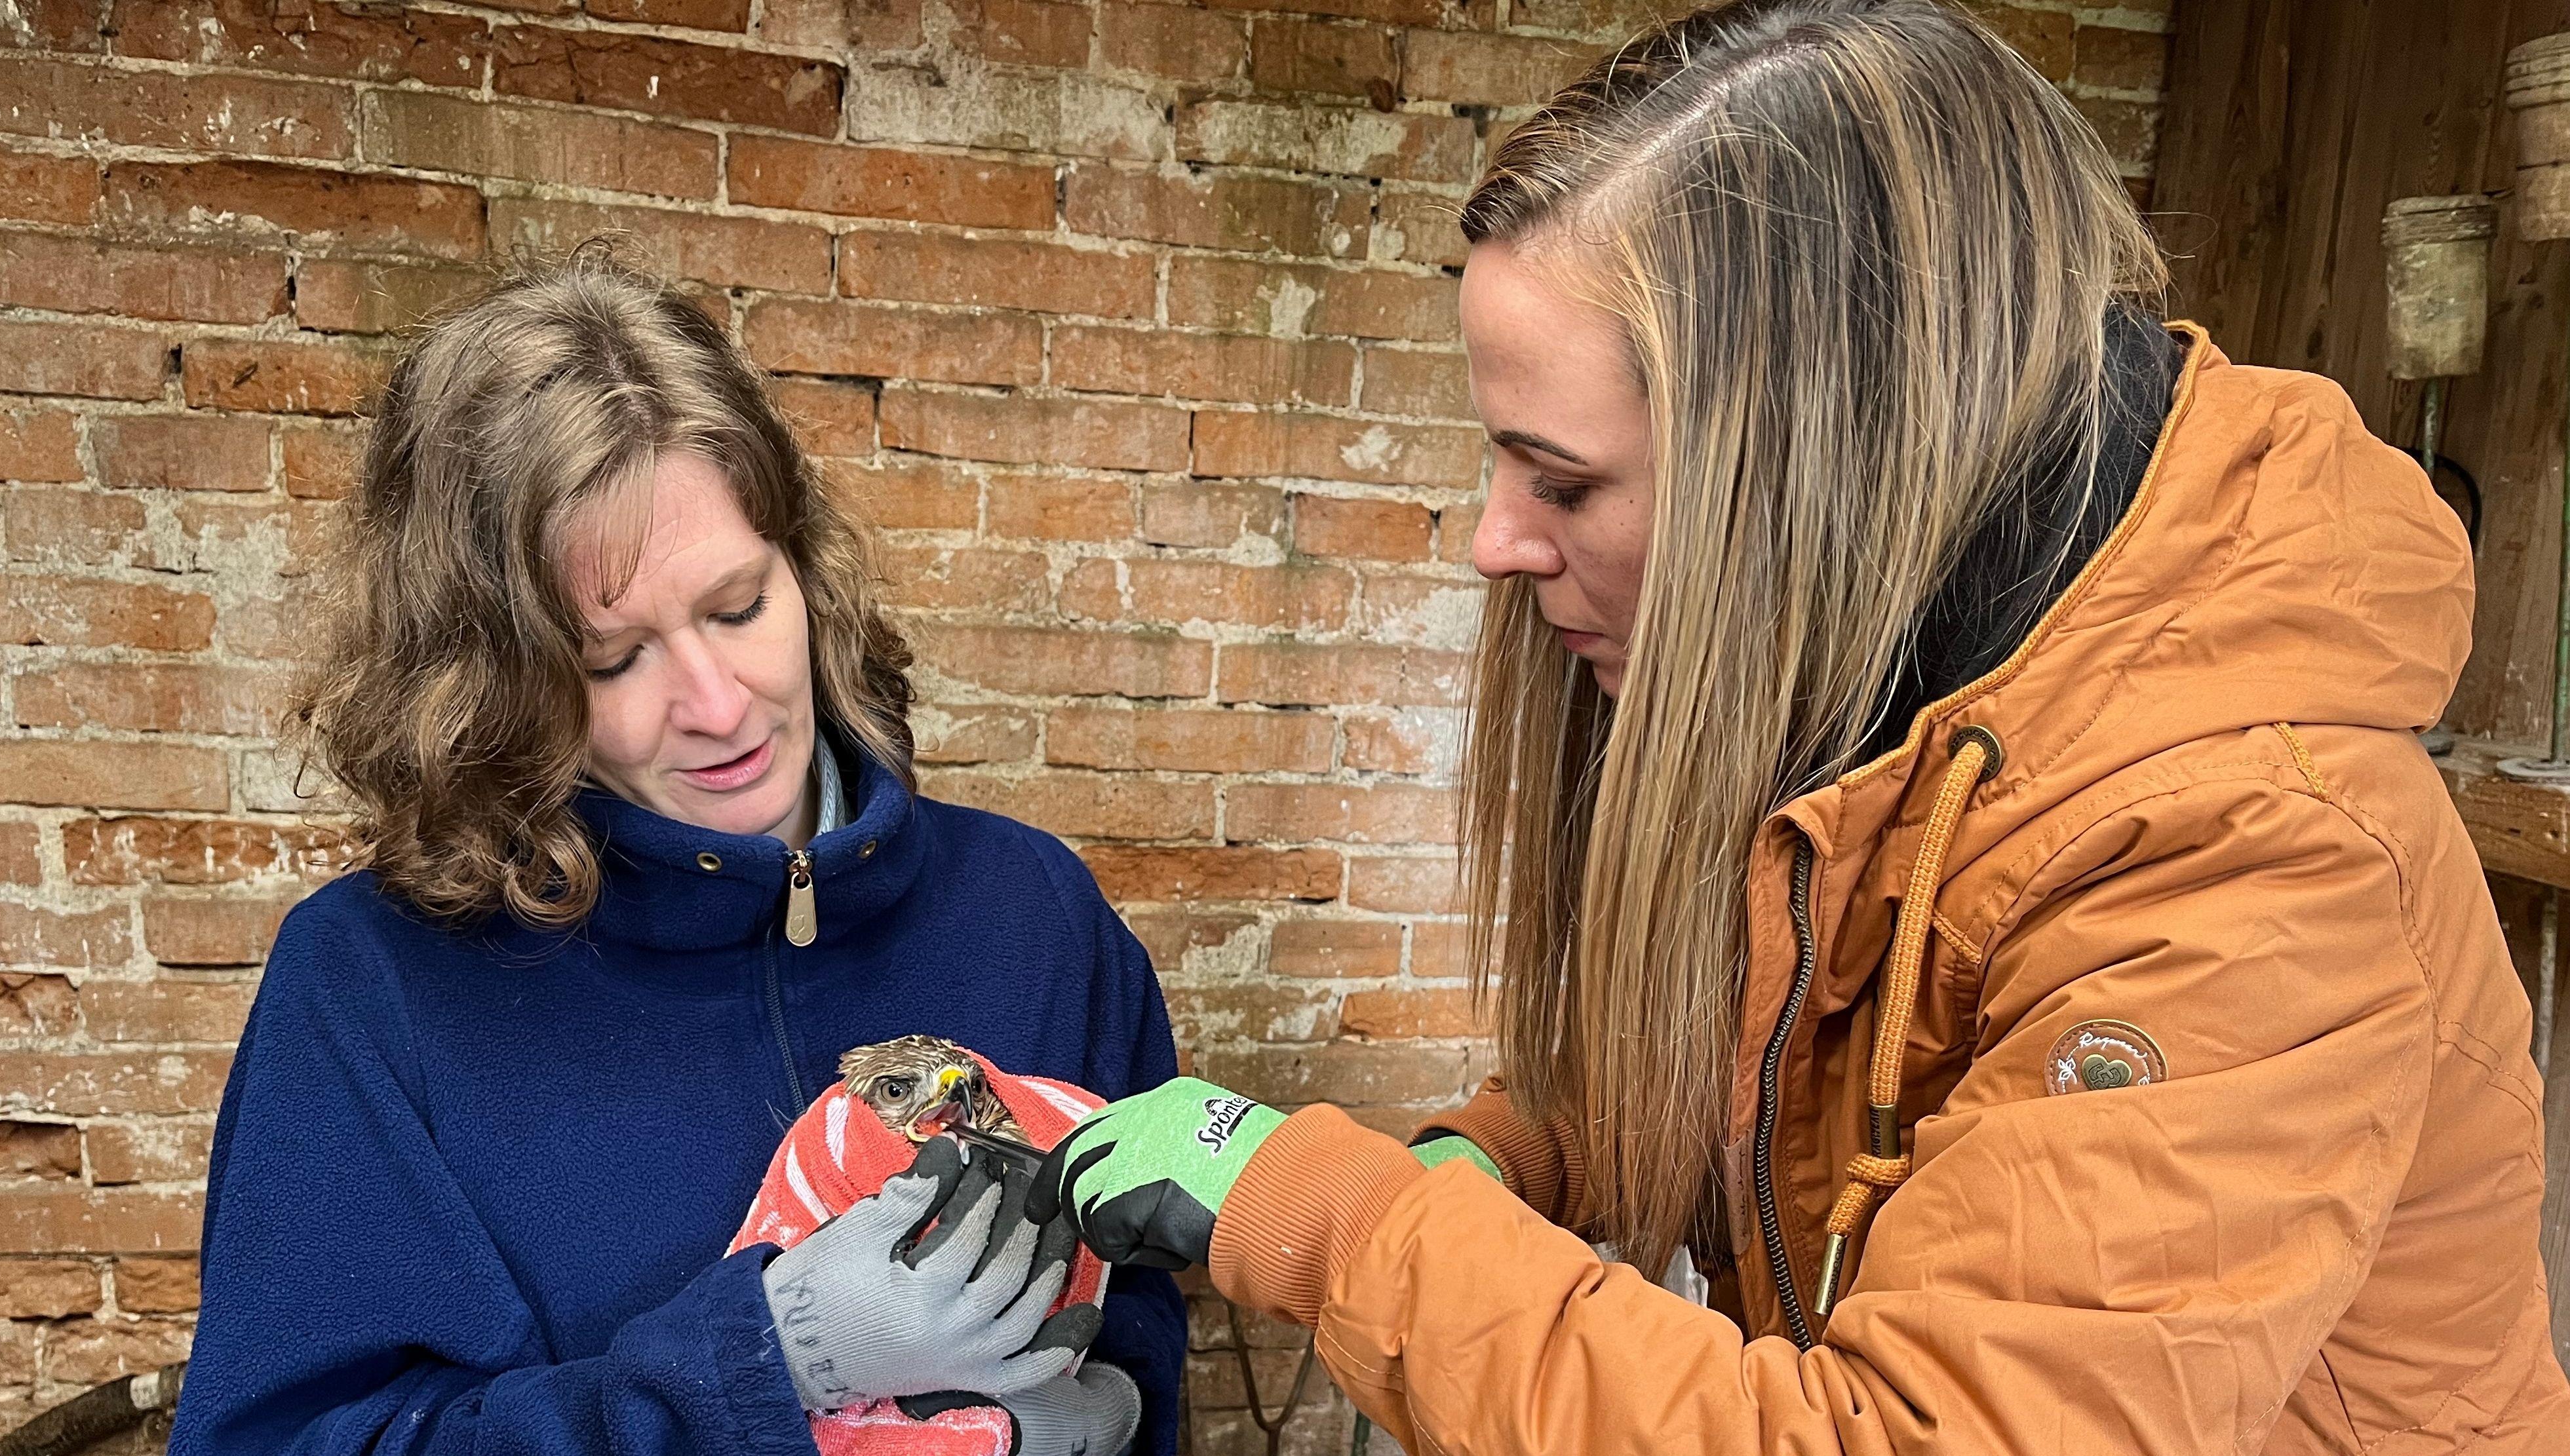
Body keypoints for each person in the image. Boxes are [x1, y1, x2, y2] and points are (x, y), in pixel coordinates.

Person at [1027, 2, 2570, 1451]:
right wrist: (1510, 1154)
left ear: (1825, 460)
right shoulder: (1888, 675)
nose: (1494, 540)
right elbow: (1772, 1044)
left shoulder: (2246, 860)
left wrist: (1348, 1226)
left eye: (1564, 481)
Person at [170, 258, 1183, 1456]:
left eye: (738, 606)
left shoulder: (1036, 913)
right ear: (493, 688)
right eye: (612, 660)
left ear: (801, 566)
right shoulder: (368, 986)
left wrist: (1108, 1407)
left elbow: (1142, 1319)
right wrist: (758, 1365)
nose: (717, 704)